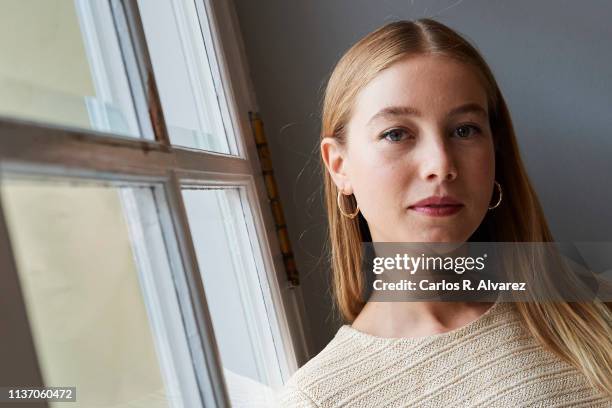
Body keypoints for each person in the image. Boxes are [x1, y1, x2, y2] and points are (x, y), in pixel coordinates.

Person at [275, 18, 612, 407]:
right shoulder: (317, 399)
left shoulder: (594, 312)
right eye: (396, 133)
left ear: (495, 150)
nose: (440, 164)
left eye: (465, 130)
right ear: (339, 166)